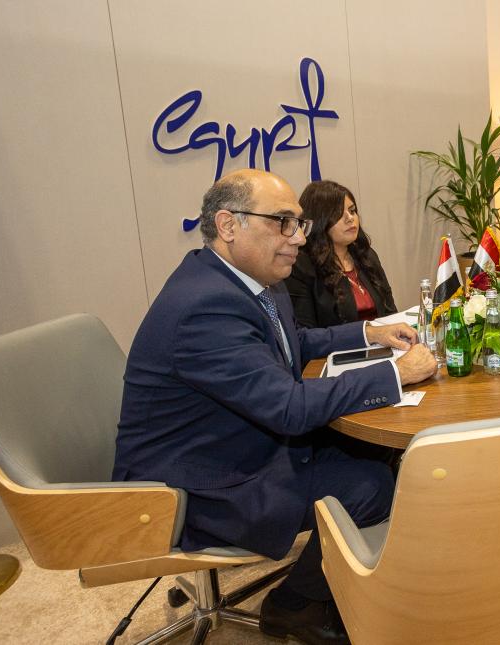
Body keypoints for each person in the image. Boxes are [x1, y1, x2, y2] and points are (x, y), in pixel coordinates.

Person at [113, 169, 437, 645]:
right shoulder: (205, 307)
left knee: (376, 450)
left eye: (299, 223)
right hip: (195, 486)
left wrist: (369, 332)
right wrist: (395, 374)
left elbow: (294, 342)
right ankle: (294, 604)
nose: (299, 238)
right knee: (370, 485)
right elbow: (288, 408)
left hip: (230, 443)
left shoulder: (247, 278)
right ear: (228, 225)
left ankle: (344, 578)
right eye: (283, 222)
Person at [286, 180, 397, 328]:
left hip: (385, 341)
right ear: (319, 220)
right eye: (338, 213)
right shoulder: (301, 266)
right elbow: (306, 333)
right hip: (342, 343)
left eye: (352, 211)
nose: (350, 218)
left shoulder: (366, 255)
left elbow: (391, 312)